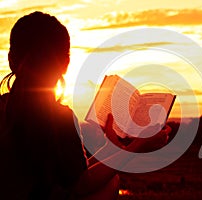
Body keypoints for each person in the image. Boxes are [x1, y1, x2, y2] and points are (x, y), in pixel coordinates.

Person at [0, 11, 170, 199]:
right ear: (66, 63)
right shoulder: (59, 116)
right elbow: (81, 184)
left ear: (11, 59)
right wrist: (136, 146)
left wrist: (111, 149)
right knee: (111, 182)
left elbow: (71, 172)